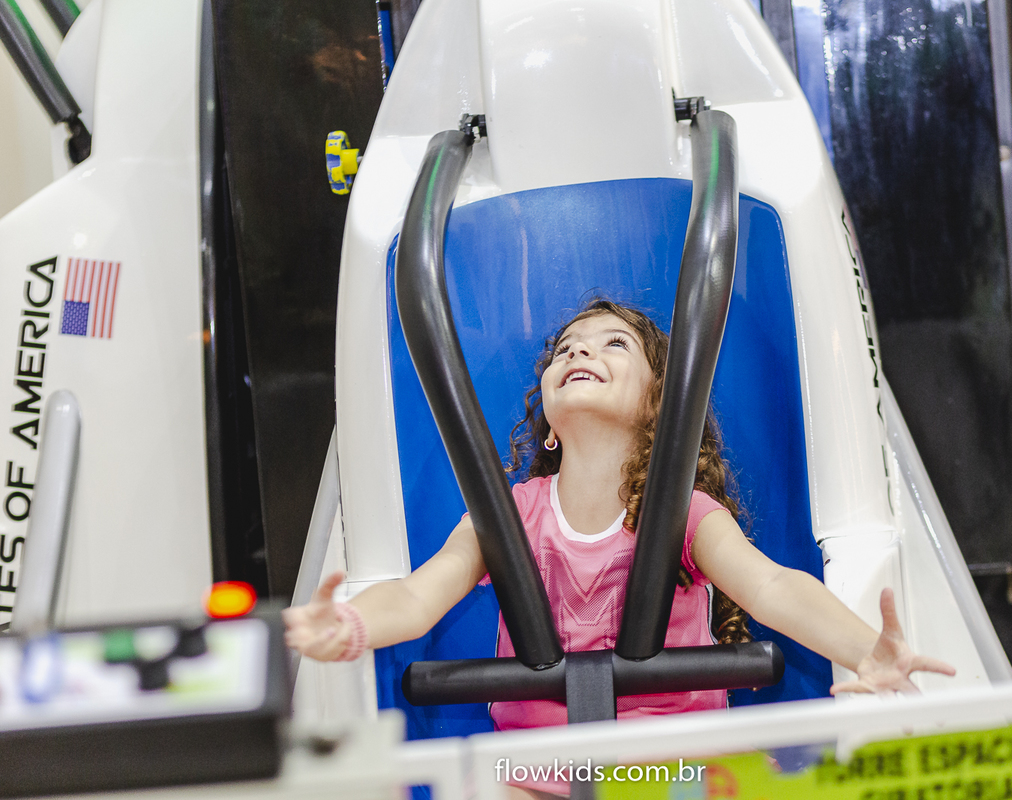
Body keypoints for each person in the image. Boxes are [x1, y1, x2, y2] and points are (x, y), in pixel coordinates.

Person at [285, 299, 955, 798]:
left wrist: (865, 648)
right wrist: (347, 625)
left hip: (675, 767)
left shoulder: (682, 513)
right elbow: (416, 596)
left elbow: (771, 587)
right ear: (548, 426)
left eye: (613, 345)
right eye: (566, 349)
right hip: (536, 771)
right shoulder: (510, 514)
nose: (579, 354)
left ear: (658, 407)